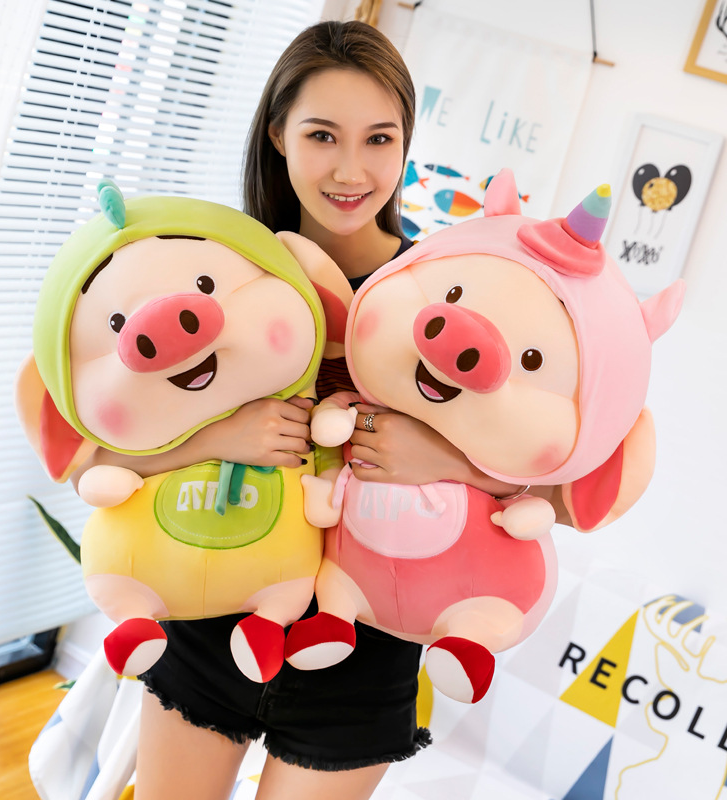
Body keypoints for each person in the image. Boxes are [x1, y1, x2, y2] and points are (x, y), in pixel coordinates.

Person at [79, 20, 564, 800]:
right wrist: (220, 436)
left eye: (379, 139)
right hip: (214, 626)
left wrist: (441, 460)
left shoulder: (447, 294)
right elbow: (93, 453)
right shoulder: (218, 278)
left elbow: (568, 485)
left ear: (405, 145)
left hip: (366, 660)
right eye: (322, 135)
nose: (350, 169)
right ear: (277, 134)